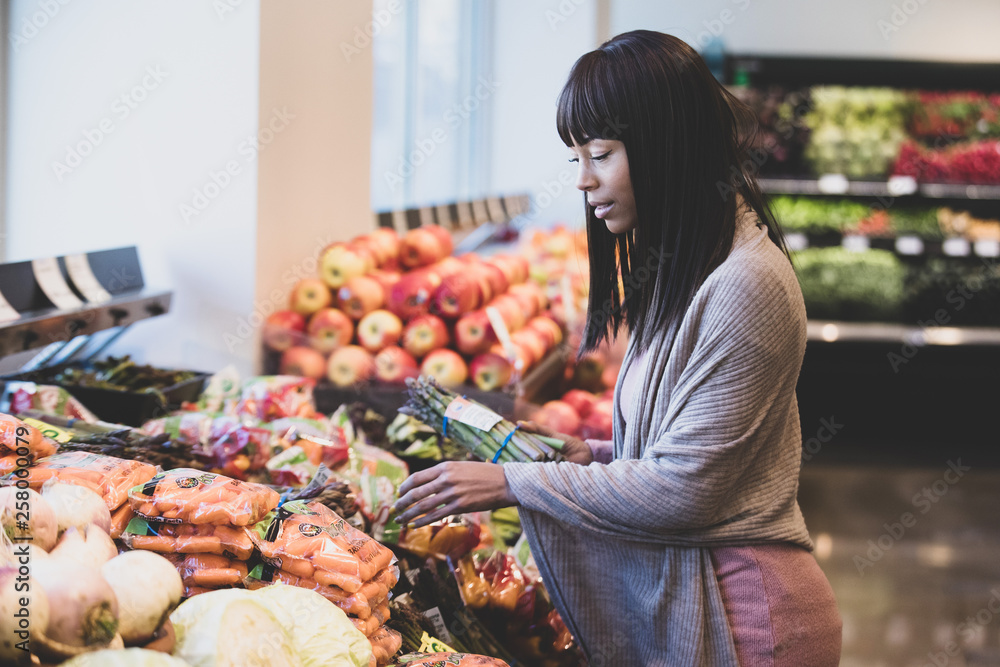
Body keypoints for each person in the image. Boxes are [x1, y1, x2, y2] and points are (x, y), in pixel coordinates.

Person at [394, 30, 842, 666]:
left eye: (599, 153)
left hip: (745, 622)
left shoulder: (747, 283)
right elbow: (691, 449)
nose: (583, 180)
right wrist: (597, 454)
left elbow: (687, 489)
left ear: (668, 147)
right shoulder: (688, 268)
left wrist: (514, 482)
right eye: (576, 158)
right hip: (711, 602)